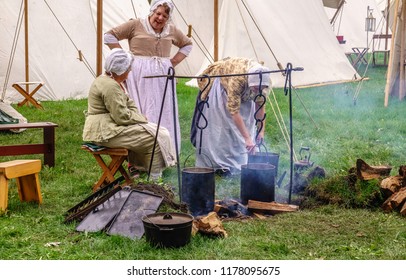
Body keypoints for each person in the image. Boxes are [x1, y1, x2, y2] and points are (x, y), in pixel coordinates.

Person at [104, 0, 193, 153]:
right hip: (138, 75)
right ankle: (139, 155)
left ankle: (165, 153)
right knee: (140, 108)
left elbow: (187, 44)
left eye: (165, 16)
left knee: (162, 110)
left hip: (162, 77)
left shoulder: (171, 30)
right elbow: (109, 36)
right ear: (152, 11)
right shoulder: (136, 25)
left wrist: (172, 62)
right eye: (158, 13)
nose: (160, 18)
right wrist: (125, 57)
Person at [82, 48, 176, 180]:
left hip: (108, 127)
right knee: (154, 139)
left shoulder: (109, 81)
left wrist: (138, 117)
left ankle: (144, 171)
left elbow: (128, 106)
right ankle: (155, 179)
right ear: (120, 69)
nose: (129, 72)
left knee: (159, 131)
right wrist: (142, 118)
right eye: (128, 69)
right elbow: (121, 116)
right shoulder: (110, 86)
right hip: (105, 132)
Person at [191, 57, 271, 175]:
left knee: (246, 125)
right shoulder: (237, 80)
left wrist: (261, 131)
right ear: (250, 82)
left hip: (243, 90)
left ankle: (240, 162)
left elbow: (260, 105)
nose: (257, 90)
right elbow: (233, 111)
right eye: (255, 88)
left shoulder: (264, 81)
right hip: (224, 85)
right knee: (223, 127)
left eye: (259, 89)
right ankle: (220, 163)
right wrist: (247, 138)